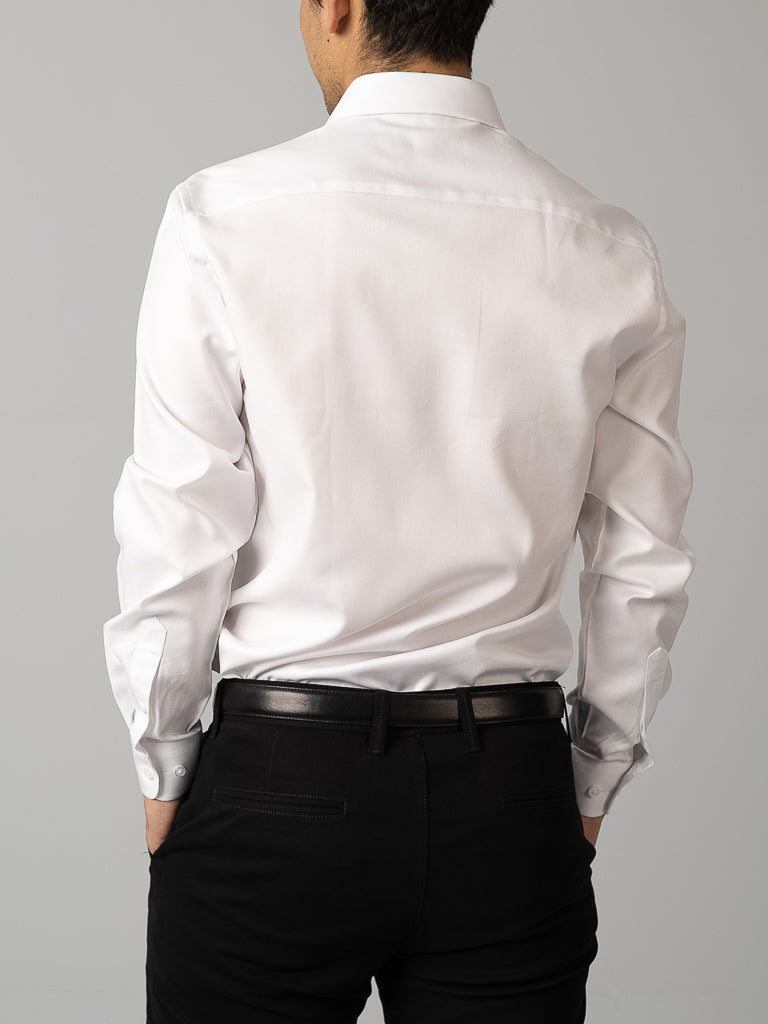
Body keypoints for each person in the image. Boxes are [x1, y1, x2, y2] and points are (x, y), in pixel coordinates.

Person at [102, 1, 695, 1021]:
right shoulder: (607, 245)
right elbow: (642, 562)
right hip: (507, 793)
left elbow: (180, 520)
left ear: (339, 5)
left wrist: (163, 762)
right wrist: (586, 787)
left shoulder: (222, 215)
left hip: (278, 779)